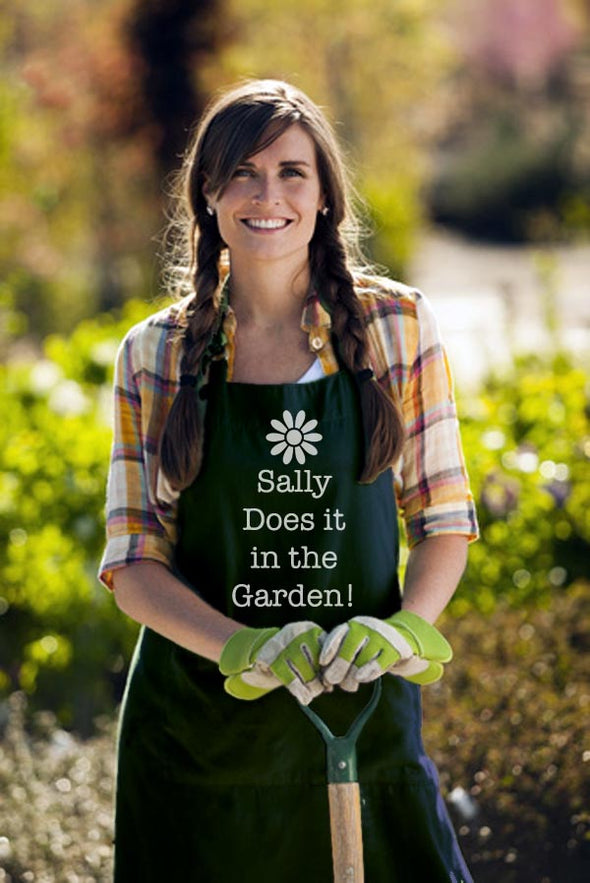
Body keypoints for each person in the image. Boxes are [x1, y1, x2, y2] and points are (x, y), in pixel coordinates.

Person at [99, 78, 478, 882]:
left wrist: (404, 630)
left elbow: (444, 520)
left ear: (325, 196)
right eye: (242, 172)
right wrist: (243, 646)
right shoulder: (155, 353)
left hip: (360, 711)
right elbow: (133, 563)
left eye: (292, 172)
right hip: (199, 735)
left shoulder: (393, 327)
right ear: (208, 193)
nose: (266, 194)